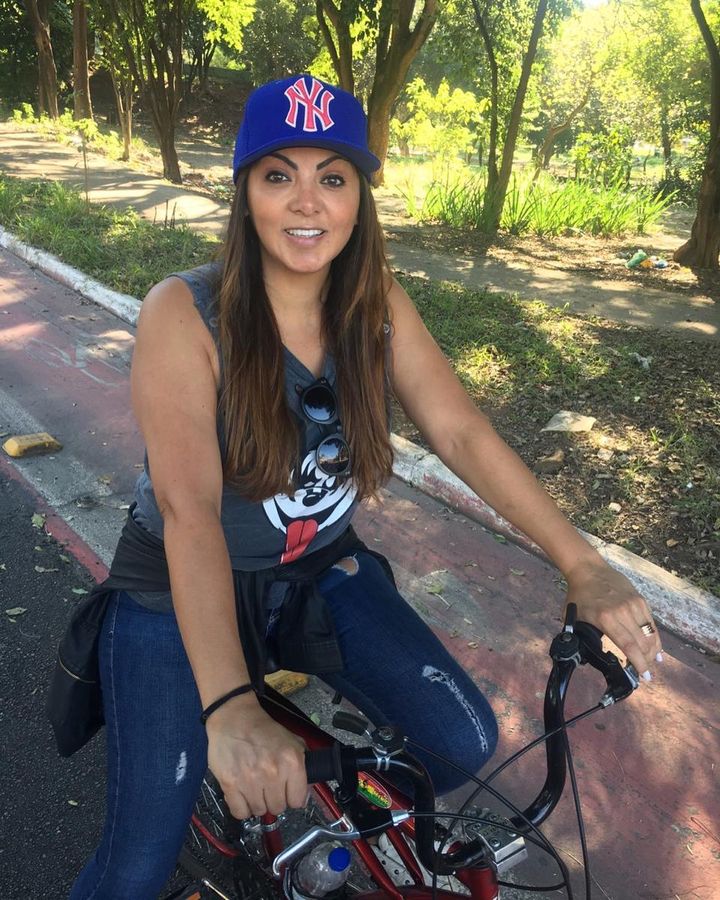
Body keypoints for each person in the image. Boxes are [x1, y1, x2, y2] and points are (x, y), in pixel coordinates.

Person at [68, 74, 662, 899]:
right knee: (135, 868)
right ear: (245, 191)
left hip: (316, 569)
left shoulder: (374, 303)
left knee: (459, 743)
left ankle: (317, 829)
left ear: (359, 198)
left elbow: (461, 433)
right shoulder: (184, 311)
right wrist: (231, 706)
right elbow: (188, 511)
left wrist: (584, 565)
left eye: (333, 177)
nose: (307, 202)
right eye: (279, 175)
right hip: (177, 586)